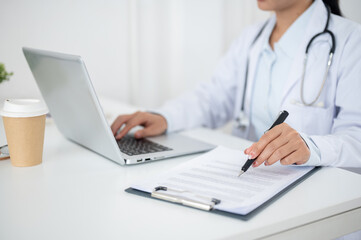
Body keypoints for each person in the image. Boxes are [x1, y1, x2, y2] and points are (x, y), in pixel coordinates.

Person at [111, 0, 361, 169]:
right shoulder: (250, 38)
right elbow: (214, 97)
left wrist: (310, 147)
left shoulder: (351, 41)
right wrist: (165, 117)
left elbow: (356, 138)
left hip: (315, 194)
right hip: (250, 181)